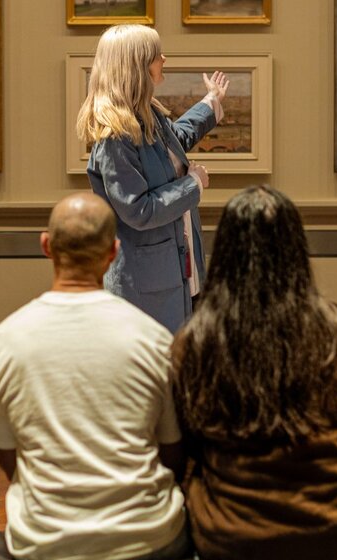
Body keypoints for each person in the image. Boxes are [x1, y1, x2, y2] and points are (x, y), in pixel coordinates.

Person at [170, 185, 337, 560]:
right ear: (297, 251)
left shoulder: (196, 339)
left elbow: (183, 449)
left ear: (224, 255)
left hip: (229, 535)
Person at [0, 192, 188, 560]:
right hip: (147, 535)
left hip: (42, 539)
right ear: (114, 251)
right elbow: (172, 452)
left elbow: (8, 460)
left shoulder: (1, 343)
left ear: (46, 246)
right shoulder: (153, 339)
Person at [76, 24, 229, 333]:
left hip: (173, 276)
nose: (164, 59)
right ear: (137, 66)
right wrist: (194, 183)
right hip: (146, 289)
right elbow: (139, 210)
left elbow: (176, 139)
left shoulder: (146, 115)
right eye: (156, 55)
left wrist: (211, 102)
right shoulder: (114, 136)